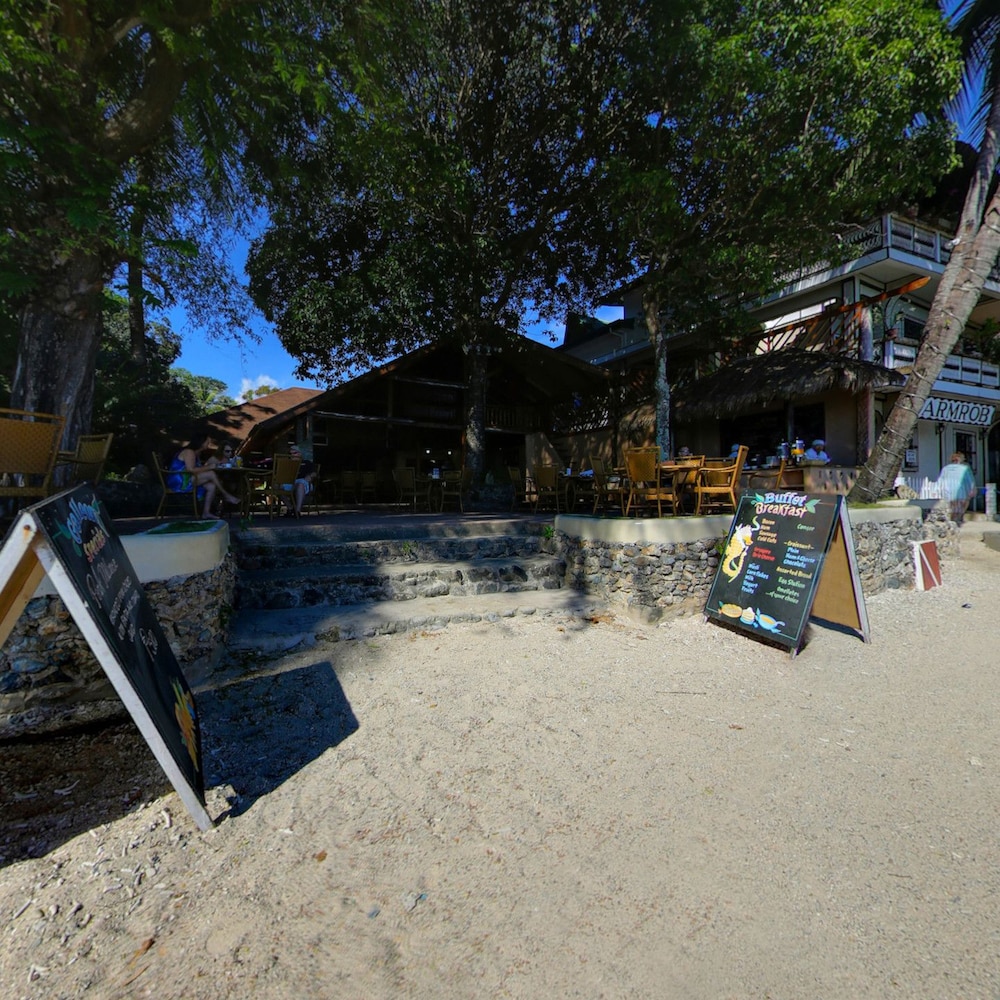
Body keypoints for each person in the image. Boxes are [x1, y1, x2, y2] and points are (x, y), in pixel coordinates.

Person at [166, 433, 239, 519]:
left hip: (188, 478)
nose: (209, 444)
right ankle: (226, 495)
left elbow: (197, 469)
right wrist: (209, 467)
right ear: (201, 442)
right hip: (180, 481)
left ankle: (206, 513)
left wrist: (210, 467)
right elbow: (191, 469)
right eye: (207, 442)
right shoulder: (189, 452)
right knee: (211, 474)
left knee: (211, 486)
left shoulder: (197, 453)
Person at [936, 451, 976, 524]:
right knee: (963, 505)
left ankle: (953, 520)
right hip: (961, 493)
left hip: (947, 493)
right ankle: (959, 519)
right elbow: (970, 481)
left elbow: (940, 481)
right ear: (959, 460)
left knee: (952, 508)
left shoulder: (945, 468)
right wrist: (972, 490)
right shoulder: (965, 468)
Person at [281, 442, 317, 516]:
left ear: (299, 454)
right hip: (291, 482)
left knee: (300, 484)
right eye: (290, 454)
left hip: (303, 481)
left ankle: (297, 511)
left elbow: (314, 473)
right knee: (277, 486)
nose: (292, 455)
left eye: (294, 453)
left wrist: (310, 476)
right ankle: (290, 508)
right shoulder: (288, 464)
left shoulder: (306, 463)